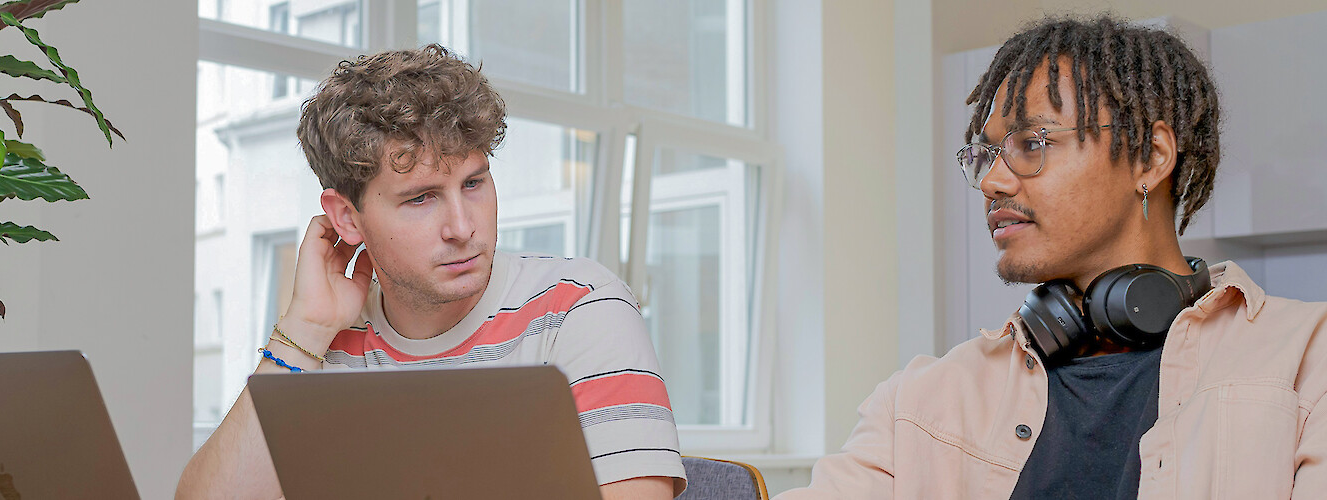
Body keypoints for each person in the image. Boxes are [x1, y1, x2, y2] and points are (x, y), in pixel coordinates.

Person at [779, 16, 1327, 499]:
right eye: (986, 154)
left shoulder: (1307, 363)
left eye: (1031, 143)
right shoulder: (918, 404)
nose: (991, 182)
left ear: (1151, 157)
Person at [176, 45, 685, 500]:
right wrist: (303, 329)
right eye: (421, 198)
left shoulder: (579, 307)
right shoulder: (328, 343)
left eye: (473, 184)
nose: (463, 228)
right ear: (347, 218)